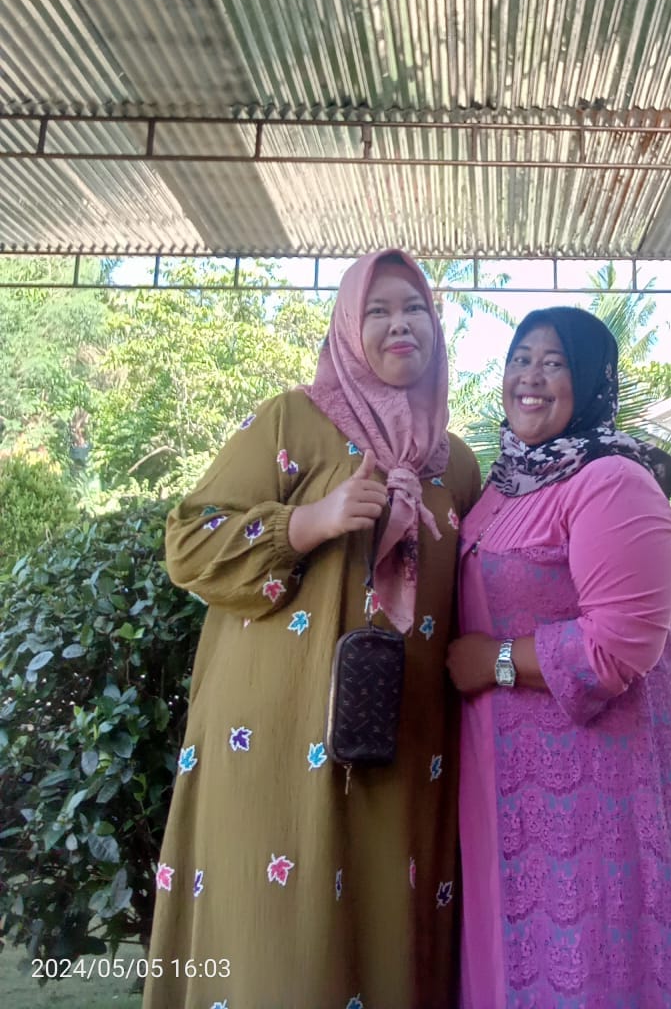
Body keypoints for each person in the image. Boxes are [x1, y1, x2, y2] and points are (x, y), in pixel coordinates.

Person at [145, 250, 481, 1009]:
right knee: (280, 946)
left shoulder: (454, 463)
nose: (400, 325)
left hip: (406, 744)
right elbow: (188, 542)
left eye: (415, 308)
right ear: (347, 327)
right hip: (276, 734)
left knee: (387, 926)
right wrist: (309, 522)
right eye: (378, 310)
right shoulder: (292, 420)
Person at [446, 307, 671, 1009]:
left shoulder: (612, 481)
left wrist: (494, 662)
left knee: (583, 965)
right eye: (520, 358)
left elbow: (618, 646)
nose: (530, 377)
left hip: (593, 790)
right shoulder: (503, 486)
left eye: (553, 362)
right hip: (498, 779)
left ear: (588, 380)